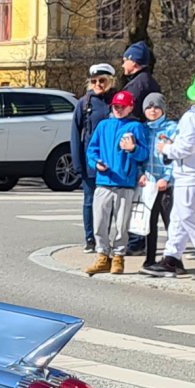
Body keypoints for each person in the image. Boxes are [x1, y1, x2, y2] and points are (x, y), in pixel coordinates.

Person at [144, 71, 195, 280]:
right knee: (179, 218)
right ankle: (172, 257)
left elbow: (185, 149)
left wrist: (166, 148)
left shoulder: (193, 116)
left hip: (189, 173)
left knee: (192, 217)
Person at [83, 89, 147, 275]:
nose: (118, 109)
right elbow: (91, 150)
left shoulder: (136, 127)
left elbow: (143, 154)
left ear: (130, 108)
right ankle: (102, 255)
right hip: (104, 181)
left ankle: (118, 257)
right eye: (116, 106)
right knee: (100, 222)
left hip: (125, 183)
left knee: (122, 224)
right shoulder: (103, 126)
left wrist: (133, 148)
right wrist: (96, 163)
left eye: (122, 106)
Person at [70, 63, 117, 251]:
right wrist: (77, 162)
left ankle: (104, 238)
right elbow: (75, 132)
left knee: (110, 203)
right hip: (91, 161)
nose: (98, 84)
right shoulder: (84, 103)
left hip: (113, 161)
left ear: (111, 81)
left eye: (102, 80)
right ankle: (90, 238)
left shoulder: (117, 101)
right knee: (90, 201)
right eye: (94, 81)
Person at [136, 92, 178, 266]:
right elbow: (138, 156)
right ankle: (150, 259)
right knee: (149, 223)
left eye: (156, 107)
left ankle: (174, 260)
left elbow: (176, 157)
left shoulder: (172, 128)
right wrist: (140, 174)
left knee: (171, 224)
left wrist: (167, 179)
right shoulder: (142, 129)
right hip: (150, 184)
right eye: (149, 107)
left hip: (167, 185)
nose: (153, 110)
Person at [120, 41, 161, 124]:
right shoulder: (148, 81)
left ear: (133, 62)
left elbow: (128, 112)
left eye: (125, 61)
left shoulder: (136, 86)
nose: (123, 65)